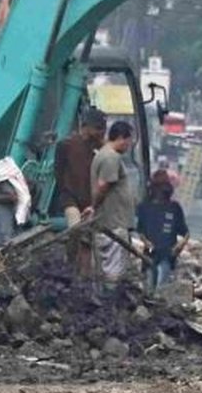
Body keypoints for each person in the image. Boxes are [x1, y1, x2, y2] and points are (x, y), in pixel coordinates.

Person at [54, 109, 106, 278]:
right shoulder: (66, 145)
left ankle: (84, 275)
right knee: (75, 227)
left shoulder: (99, 150)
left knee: (88, 240)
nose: (100, 132)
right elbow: (59, 173)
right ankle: (69, 262)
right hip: (70, 198)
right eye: (98, 128)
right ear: (86, 127)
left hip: (89, 202)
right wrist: (65, 190)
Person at [91, 121, 139, 284]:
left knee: (109, 270)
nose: (129, 145)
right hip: (113, 224)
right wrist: (93, 207)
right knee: (113, 272)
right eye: (129, 140)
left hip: (112, 223)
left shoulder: (105, 155)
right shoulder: (111, 157)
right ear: (121, 138)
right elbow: (104, 186)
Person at [136, 169, 189, 291]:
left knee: (161, 287)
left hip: (167, 255)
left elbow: (185, 233)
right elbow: (140, 231)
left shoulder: (174, 208)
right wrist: (147, 243)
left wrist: (178, 247)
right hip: (149, 255)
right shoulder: (144, 207)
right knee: (149, 287)